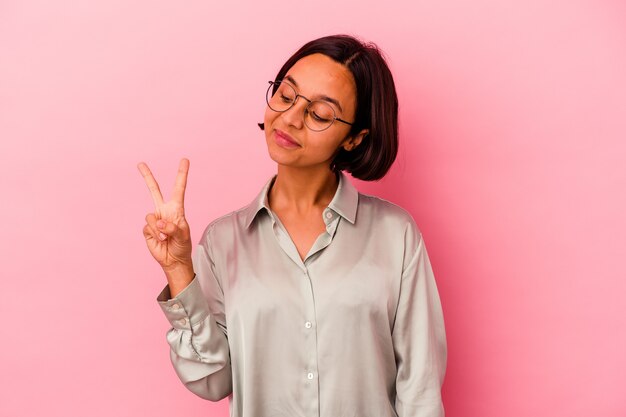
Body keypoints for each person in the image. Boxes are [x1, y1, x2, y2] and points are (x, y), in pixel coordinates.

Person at [138, 34, 447, 417]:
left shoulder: (395, 235)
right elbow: (211, 380)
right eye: (286, 95)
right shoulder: (222, 241)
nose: (290, 119)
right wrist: (178, 268)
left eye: (319, 114)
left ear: (354, 138)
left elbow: (420, 390)